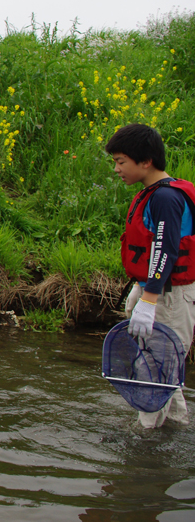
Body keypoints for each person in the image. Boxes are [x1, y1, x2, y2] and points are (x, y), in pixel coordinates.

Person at [105, 123, 195, 428]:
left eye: (120, 162)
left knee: (156, 372)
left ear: (146, 162)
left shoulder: (166, 198)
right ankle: (177, 427)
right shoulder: (153, 193)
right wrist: (142, 290)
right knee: (164, 367)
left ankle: (143, 443)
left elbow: (166, 248)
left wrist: (151, 299)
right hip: (156, 289)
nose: (116, 169)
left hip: (170, 296)